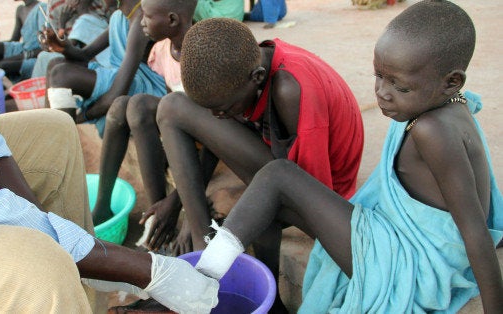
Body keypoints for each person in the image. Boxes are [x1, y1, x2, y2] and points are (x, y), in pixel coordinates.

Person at [0, 1, 220, 313]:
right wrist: (146, 270)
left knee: (55, 129)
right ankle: (65, 282)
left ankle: (85, 297)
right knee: (39, 271)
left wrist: (55, 232)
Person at [193, 1, 503, 313]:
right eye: (379, 75)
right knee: (269, 194)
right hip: (404, 241)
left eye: (400, 86)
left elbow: (475, 231)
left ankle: (201, 278)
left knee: (278, 175)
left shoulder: (433, 131)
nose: (382, 92)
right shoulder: (448, 105)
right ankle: (246, 289)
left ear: (452, 82)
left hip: (412, 266)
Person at [155, 16, 363, 309]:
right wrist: (187, 207)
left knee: (173, 110)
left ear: (256, 77)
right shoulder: (250, 67)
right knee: (173, 107)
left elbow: (313, 188)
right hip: (285, 166)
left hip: (324, 190)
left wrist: (246, 214)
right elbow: (222, 137)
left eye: (224, 110)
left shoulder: (289, 90)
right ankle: (203, 238)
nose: (218, 119)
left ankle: (254, 286)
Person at [90, 0, 198, 231]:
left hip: (200, 139)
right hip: (176, 132)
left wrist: (177, 200)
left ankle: (158, 215)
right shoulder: (162, 51)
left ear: (171, 19)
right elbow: (171, 102)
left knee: (138, 105)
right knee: (120, 106)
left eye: (146, 16)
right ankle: (104, 204)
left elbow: (211, 122)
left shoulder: (200, 53)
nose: (141, 22)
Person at [43, 0, 167, 138]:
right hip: (124, 78)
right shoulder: (118, 17)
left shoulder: (140, 21)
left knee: (61, 75)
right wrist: (63, 48)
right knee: (54, 63)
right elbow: (85, 55)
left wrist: (82, 117)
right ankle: (51, 132)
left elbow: (117, 93)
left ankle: (63, 144)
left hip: (145, 88)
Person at [30, 0, 113, 78]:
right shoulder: (55, 6)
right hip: (91, 58)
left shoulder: (85, 19)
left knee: (44, 58)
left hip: (95, 62)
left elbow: (65, 47)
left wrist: (62, 24)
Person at [0, 0, 46, 82]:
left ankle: (12, 85)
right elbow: (14, 39)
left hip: (38, 56)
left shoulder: (42, 8)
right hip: (24, 49)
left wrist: (15, 58)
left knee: (2, 66)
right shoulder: (20, 9)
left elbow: (46, 46)